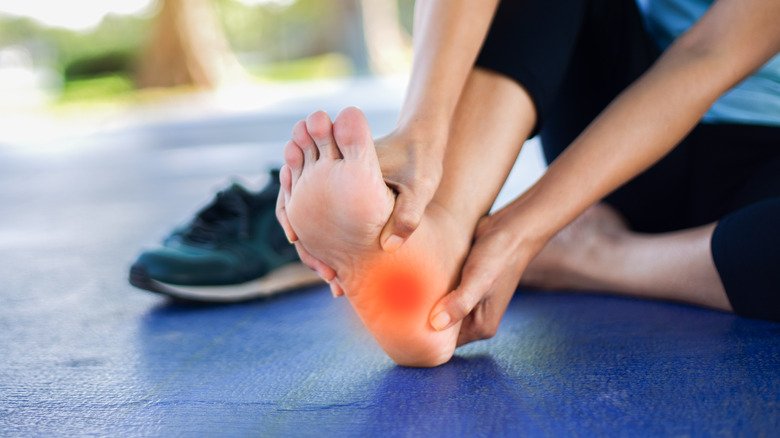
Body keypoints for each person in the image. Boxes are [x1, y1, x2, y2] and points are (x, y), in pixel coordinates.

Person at [276, 0, 780, 366]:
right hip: (613, 149)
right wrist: (421, 129)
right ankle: (443, 231)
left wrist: (519, 231)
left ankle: (588, 255)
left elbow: (707, 56)